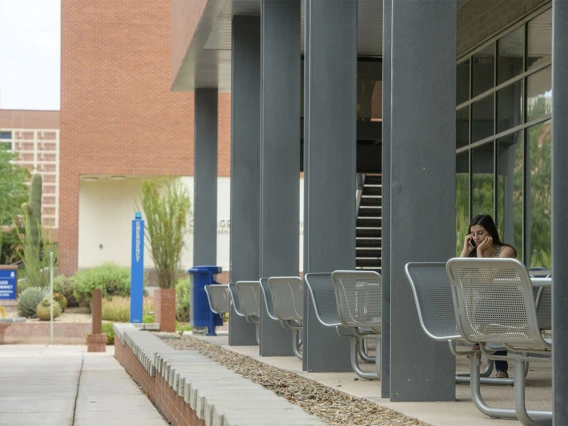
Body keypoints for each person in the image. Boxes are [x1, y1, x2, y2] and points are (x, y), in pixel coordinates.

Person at [460, 214, 517, 379]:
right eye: (473, 234)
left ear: (490, 233)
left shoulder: (506, 251)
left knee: (493, 308)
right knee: (489, 308)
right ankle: (501, 368)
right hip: (485, 309)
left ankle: (479, 342)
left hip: (511, 308)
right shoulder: (473, 253)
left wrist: (479, 252)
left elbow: (487, 279)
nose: (476, 238)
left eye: (481, 233)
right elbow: (459, 275)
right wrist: (466, 249)